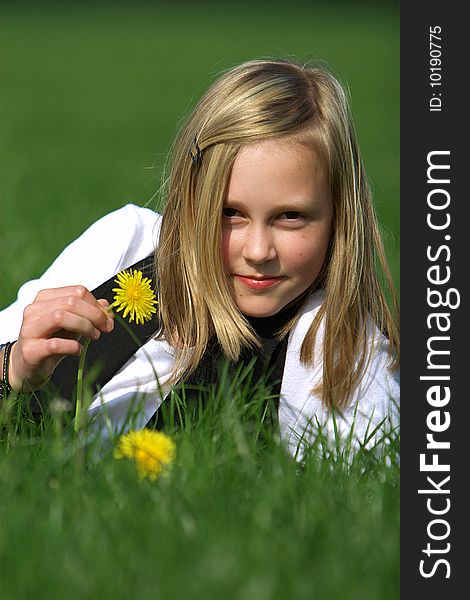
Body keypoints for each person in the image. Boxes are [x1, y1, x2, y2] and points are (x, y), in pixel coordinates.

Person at [0, 58, 399, 456]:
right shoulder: (128, 247)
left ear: (340, 216)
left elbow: (370, 489)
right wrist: (13, 367)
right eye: (230, 213)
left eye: (290, 217)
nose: (258, 251)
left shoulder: (340, 348)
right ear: (192, 200)